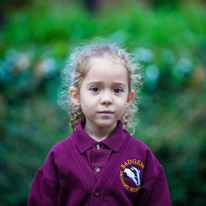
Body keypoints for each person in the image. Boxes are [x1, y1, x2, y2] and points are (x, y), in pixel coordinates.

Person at [28, 42, 171, 206]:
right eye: (95, 89)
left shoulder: (142, 157)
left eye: (117, 90)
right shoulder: (58, 156)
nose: (106, 99)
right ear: (76, 96)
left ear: (128, 98)